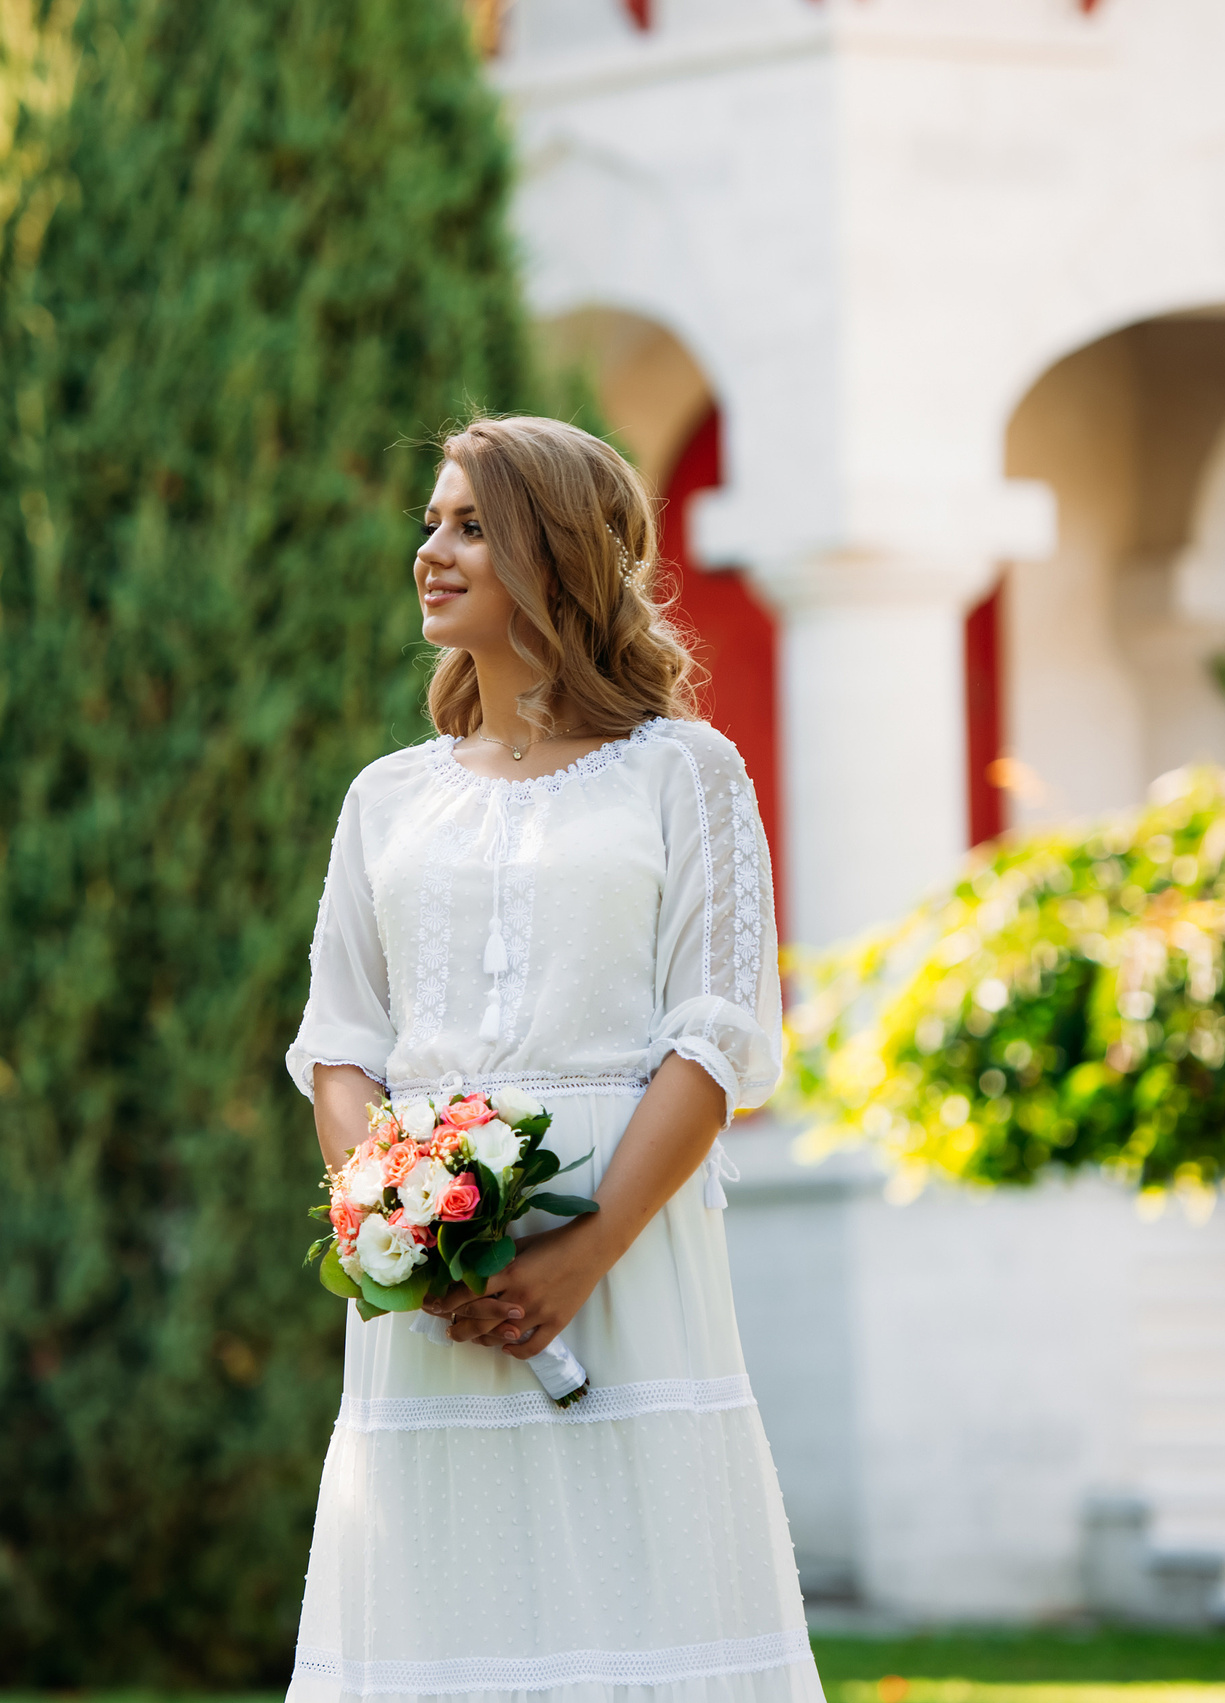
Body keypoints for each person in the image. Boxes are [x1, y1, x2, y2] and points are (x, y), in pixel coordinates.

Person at [284, 417, 819, 1702]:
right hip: (429, 1297)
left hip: (626, 1252)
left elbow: (715, 1032)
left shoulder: (685, 774)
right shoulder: (386, 798)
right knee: (440, 1614)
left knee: (642, 1590)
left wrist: (584, 1250)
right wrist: (399, 1223)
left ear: (555, 549)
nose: (431, 550)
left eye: (470, 524)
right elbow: (340, 1042)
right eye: (431, 522)